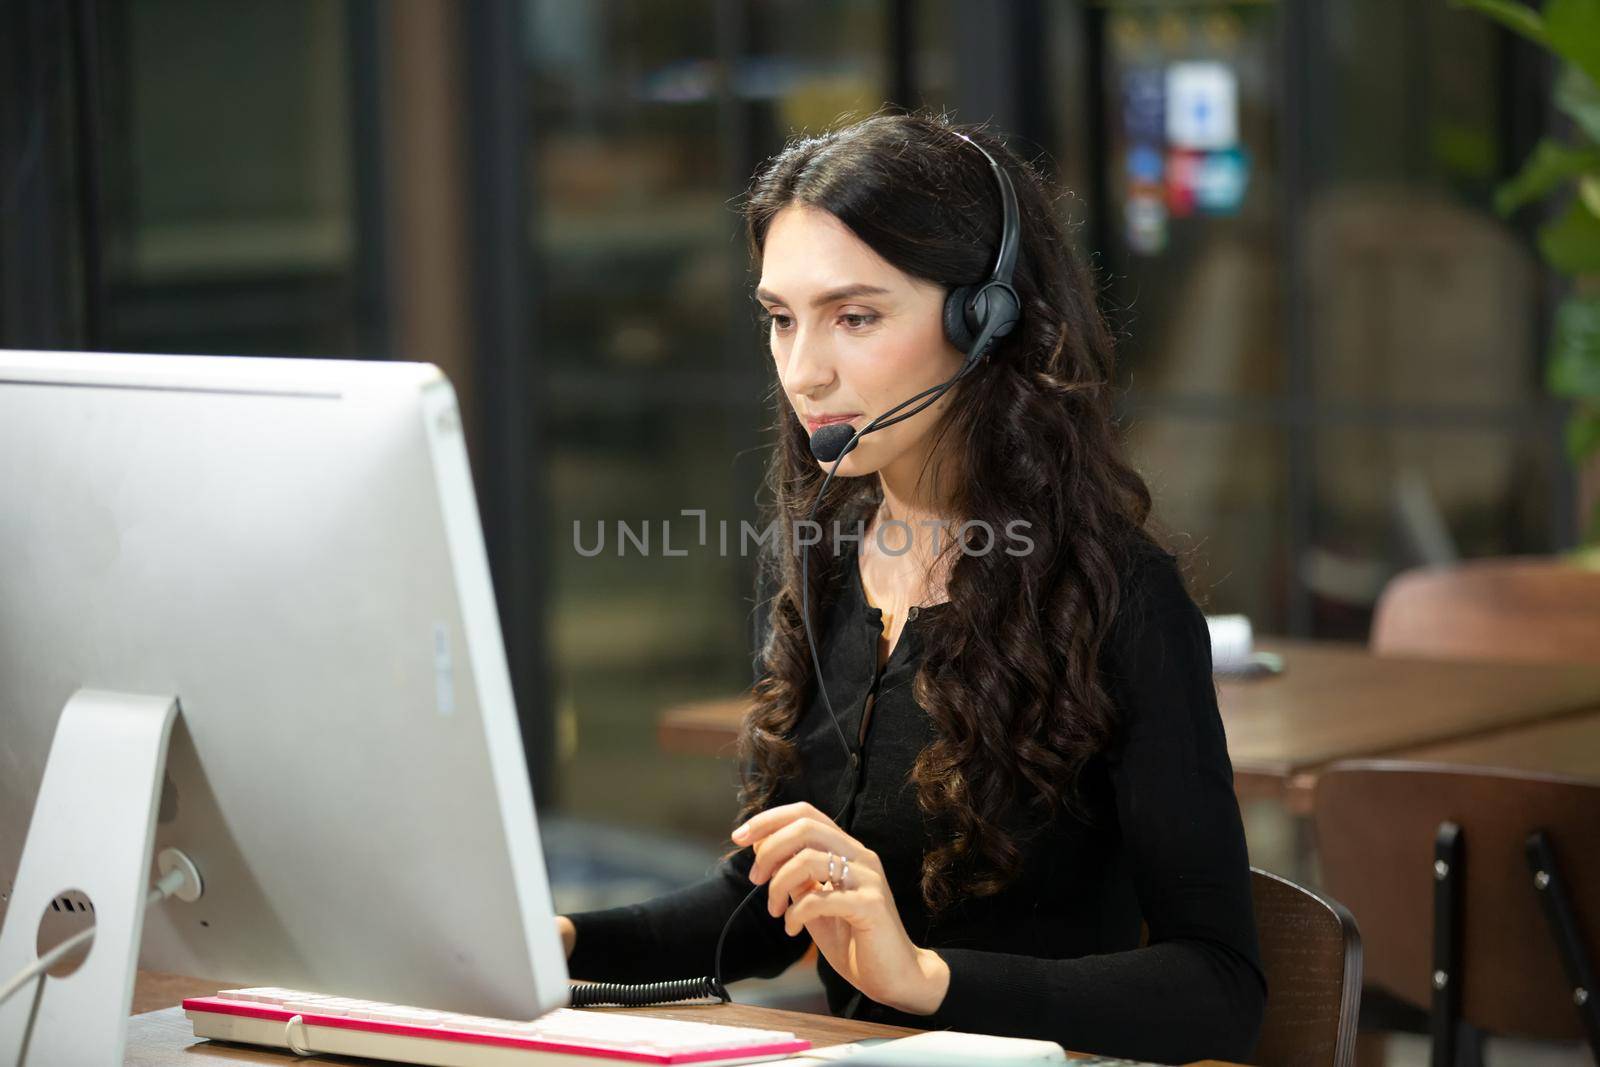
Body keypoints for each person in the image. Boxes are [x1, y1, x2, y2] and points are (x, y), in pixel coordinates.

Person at [555, 111, 1266, 1065]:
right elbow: (769, 907)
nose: (805, 371)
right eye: (780, 318)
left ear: (986, 319)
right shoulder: (828, 554)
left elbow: (1220, 989)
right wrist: (558, 941)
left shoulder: (1120, 600)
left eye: (855, 316)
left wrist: (927, 978)